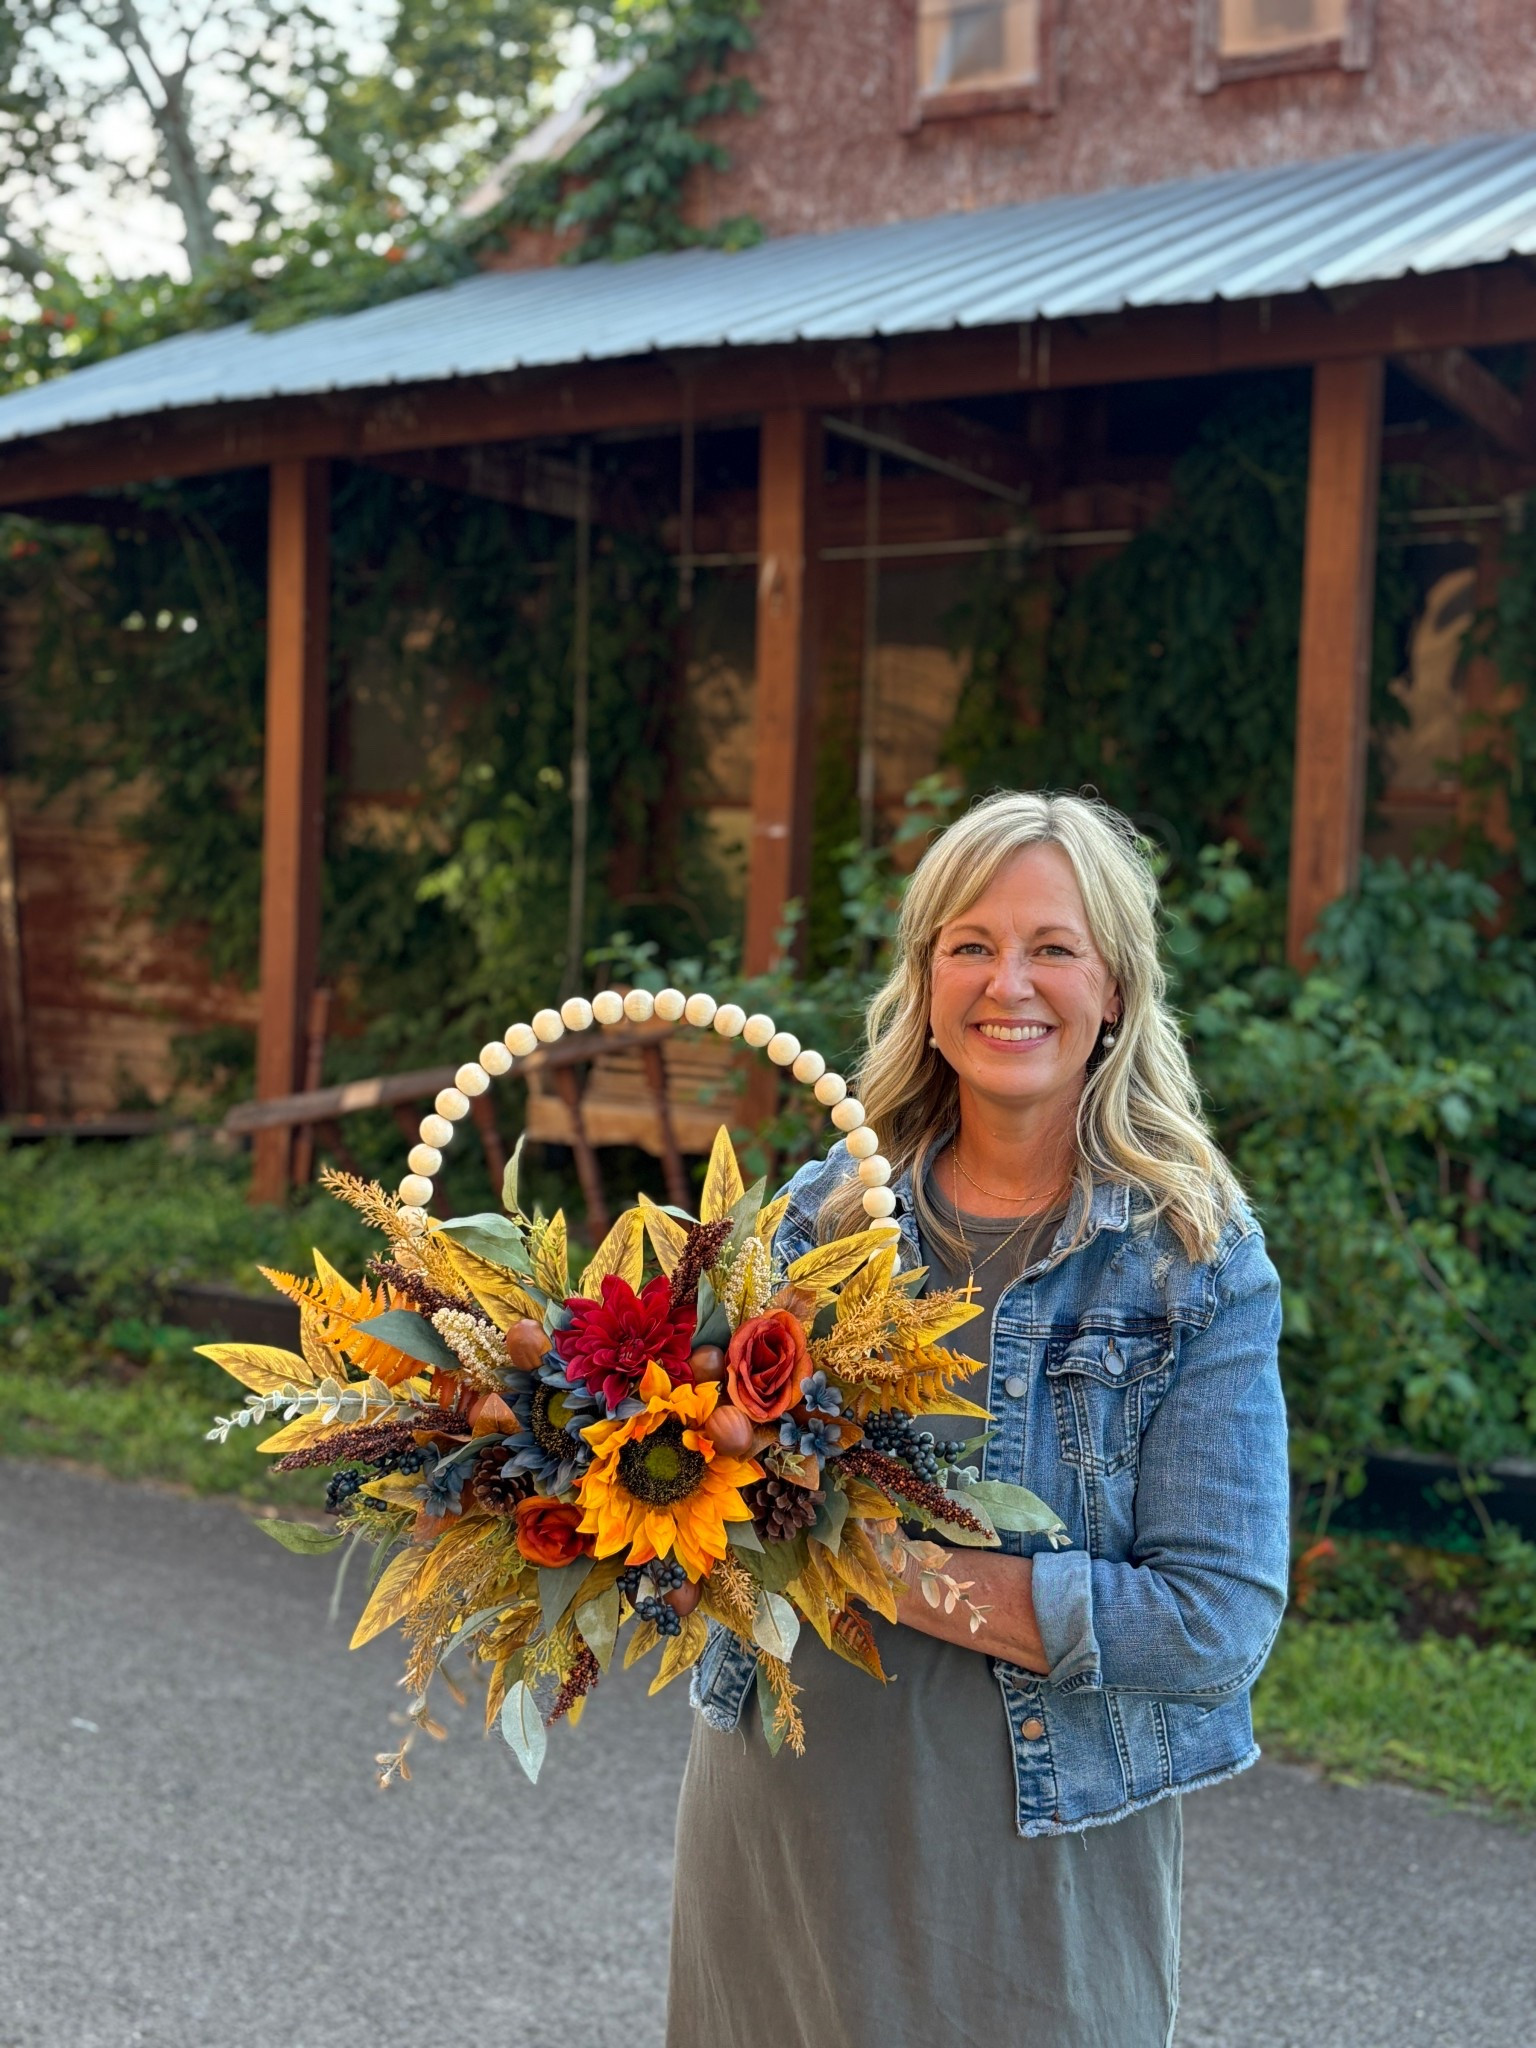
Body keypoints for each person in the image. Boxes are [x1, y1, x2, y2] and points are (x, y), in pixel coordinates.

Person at [666, 790, 1290, 2048]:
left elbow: (1214, 1622)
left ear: (1114, 988)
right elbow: (700, 1488)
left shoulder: (1191, 1261)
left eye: (1053, 946)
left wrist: (881, 1565)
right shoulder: (817, 1220)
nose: (1010, 981)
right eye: (970, 943)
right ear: (926, 978)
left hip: (1033, 1864)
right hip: (783, 1823)